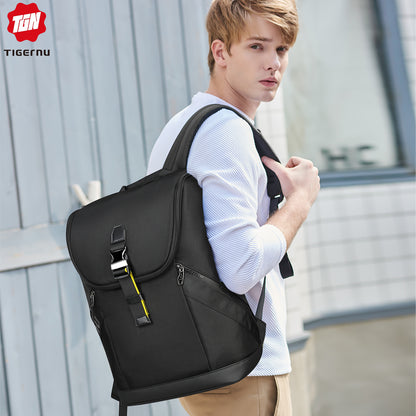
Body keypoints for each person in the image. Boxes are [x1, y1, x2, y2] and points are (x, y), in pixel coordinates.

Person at [146, 0, 320, 415]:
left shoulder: (181, 126)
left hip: (204, 362)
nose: (273, 63)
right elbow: (241, 266)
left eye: (281, 49)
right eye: (257, 46)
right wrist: (299, 201)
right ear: (220, 52)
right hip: (247, 370)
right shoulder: (226, 132)